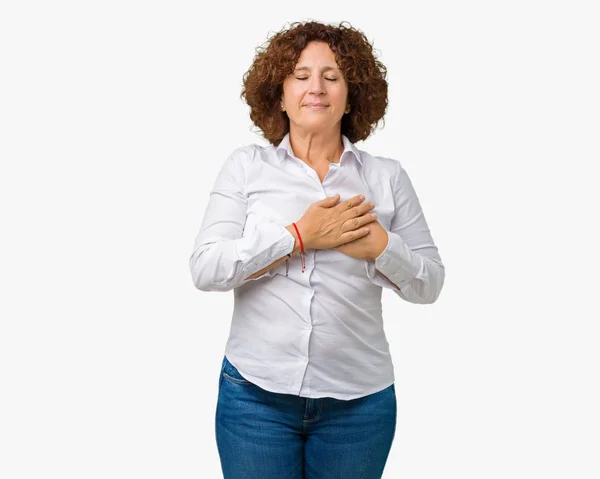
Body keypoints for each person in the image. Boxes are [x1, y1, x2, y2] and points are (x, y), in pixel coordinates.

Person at [189, 20, 445, 479]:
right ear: (279, 93)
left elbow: (431, 284)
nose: (317, 88)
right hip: (254, 399)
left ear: (352, 94)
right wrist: (297, 236)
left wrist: (383, 247)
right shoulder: (246, 168)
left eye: (332, 76)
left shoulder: (386, 178)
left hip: (359, 407)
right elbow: (206, 267)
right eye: (301, 75)